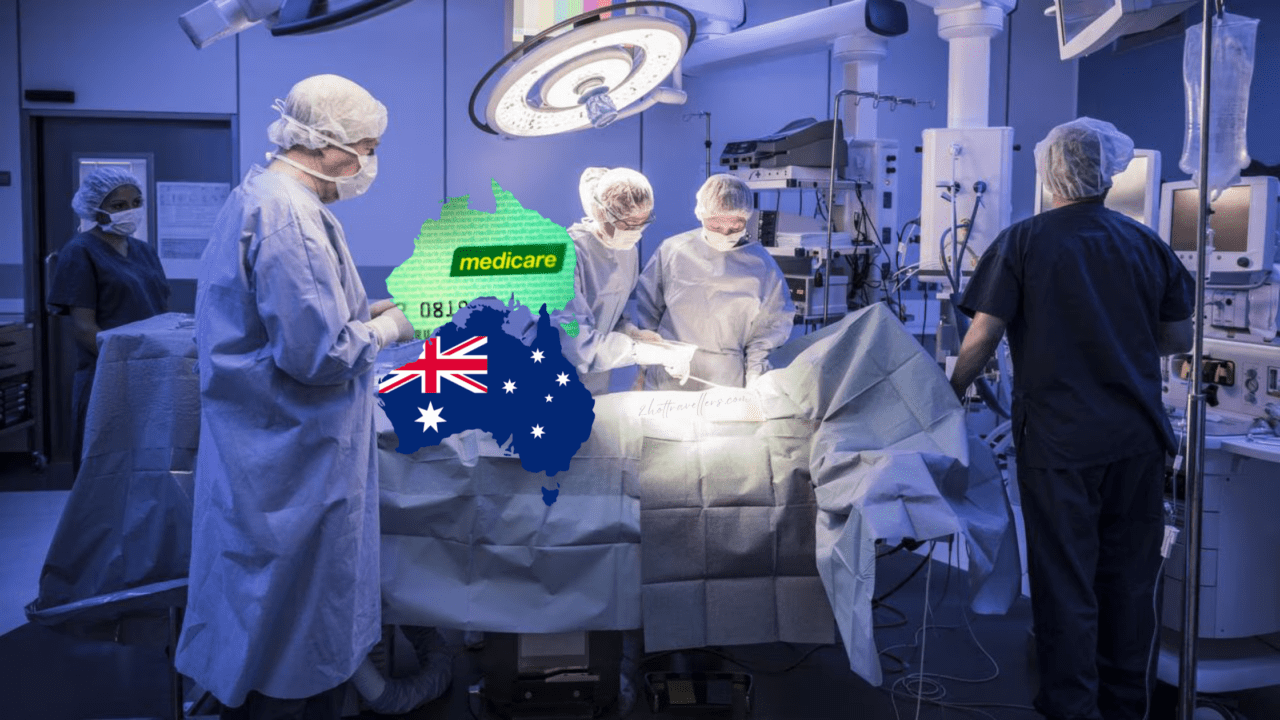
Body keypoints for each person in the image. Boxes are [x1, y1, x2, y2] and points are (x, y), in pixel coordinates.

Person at [176, 74, 415, 720]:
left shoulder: (269, 198)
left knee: (268, 615)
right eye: (367, 146)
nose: (371, 162)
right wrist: (392, 328)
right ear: (328, 142)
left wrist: (376, 308)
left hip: (271, 454)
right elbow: (318, 355)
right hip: (293, 464)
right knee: (292, 628)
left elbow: (310, 314)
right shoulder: (290, 218)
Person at [949, 117, 1194, 720]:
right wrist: (1113, 342)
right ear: (1109, 173)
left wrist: (949, 390)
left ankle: (1070, 709)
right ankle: (1124, 709)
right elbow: (1177, 337)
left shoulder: (1024, 241)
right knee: (1129, 587)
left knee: (1066, 587)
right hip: (1137, 443)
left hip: (1061, 447)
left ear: (1049, 170)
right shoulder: (1145, 244)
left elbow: (983, 337)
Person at [48, 166, 170, 473]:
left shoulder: (144, 251)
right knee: (104, 470)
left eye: (136, 202)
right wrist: (124, 362)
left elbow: (158, 312)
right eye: (118, 206)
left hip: (151, 373)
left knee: (146, 467)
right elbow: (83, 328)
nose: (130, 211)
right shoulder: (80, 251)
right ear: (96, 209)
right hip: (107, 375)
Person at [634, 173, 795, 390]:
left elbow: (769, 331)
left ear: (746, 218)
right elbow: (648, 315)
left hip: (725, 378)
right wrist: (646, 365)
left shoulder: (761, 265)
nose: (725, 233)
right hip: (670, 371)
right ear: (701, 215)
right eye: (716, 226)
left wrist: (756, 378)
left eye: (735, 227)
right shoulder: (674, 251)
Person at [555, 166, 691, 395]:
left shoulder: (626, 250)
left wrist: (632, 333)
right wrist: (638, 351)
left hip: (595, 382)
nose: (636, 232)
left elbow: (611, 316)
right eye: (628, 225)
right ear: (601, 212)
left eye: (643, 223)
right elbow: (573, 340)